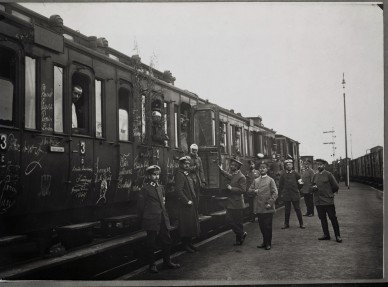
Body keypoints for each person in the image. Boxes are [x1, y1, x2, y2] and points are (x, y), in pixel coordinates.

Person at [137, 165, 180, 273]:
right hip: (151, 219)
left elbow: (163, 203)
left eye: (158, 174)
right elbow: (140, 207)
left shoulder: (160, 187)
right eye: (154, 174)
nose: (156, 177)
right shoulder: (145, 189)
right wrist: (147, 216)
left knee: (166, 240)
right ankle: (152, 265)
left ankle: (167, 262)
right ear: (149, 175)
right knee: (151, 243)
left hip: (162, 218)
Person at [248, 161, 278, 250]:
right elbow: (249, 190)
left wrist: (270, 203)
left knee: (268, 226)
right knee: (262, 226)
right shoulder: (256, 180)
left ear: (267, 169)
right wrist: (254, 191)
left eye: (264, 167)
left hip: (267, 207)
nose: (262, 169)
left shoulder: (270, 180)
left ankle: (268, 243)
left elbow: (275, 193)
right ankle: (264, 242)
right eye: (260, 168)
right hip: (259, 207)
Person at [218, 158, 247, 246]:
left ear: (238, 167)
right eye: (231, 165)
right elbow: (228, 175)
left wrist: (231, 188)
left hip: (237, 203)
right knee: (228, 220)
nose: (232, 166)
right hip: (231, 203)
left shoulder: (242, 177)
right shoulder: (233, 174)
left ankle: (239, 240)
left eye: (234, 165)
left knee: (238, 222)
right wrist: (221, 170)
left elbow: (243, 190)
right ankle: (241, 234)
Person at [175, 156, 201, 253]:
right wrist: (186, 201)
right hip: (185, 205)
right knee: (186, 225)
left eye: (188, 164)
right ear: (181, 164)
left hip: (191, 202)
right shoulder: (180, 174)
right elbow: (179, 190)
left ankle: (189, 244)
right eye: (185, 163)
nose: (187, 165)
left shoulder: (186, 173)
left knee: (190, 225)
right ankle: (185, 245)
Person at [312, 159, 342, 243]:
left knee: (333, 218)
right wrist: (313, 188)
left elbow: (336, 186)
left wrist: (329, 194)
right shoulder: (315, 175)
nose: (319, 166)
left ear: (324, 165)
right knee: (322, 218)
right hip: (318, 201)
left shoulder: (328, 174)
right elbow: (312, 185)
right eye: (317, 164)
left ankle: (337, 235)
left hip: (328, 201)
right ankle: (326, 235)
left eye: (320, 164)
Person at [279, 159, 305, 229]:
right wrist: (282, 193)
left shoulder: (296, 174)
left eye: (290, 165)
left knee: (297, 209)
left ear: (292, 166)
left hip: (295, 194)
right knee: (287, 210)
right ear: (285, 166)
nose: (288, 166)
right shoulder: (283, 174)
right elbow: (280, 185)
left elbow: (301, 183)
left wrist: (297, 189)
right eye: (287, 165)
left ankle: (301, 223)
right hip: (286, 195)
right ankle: (286, 224)